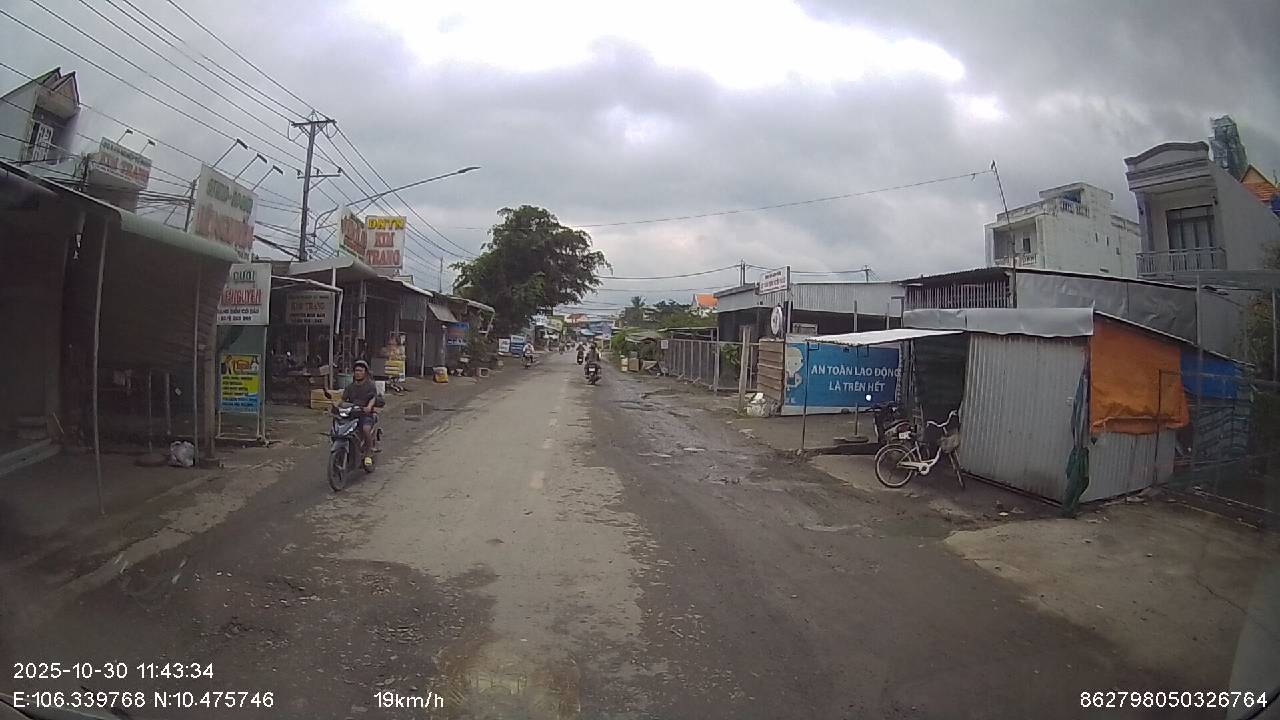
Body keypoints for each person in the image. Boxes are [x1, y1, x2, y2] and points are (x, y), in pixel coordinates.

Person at [340, 360, 379, 467]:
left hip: (365, 414)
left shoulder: (370, 385)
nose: (358, 373)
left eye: (360, 371)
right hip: (352, 413)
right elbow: (343, 400)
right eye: (356, 370)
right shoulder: (350, 387)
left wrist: (369, 407)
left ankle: (368, 453)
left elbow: (373, 398)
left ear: (365, 372)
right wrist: (336, 405)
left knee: (366, 429)